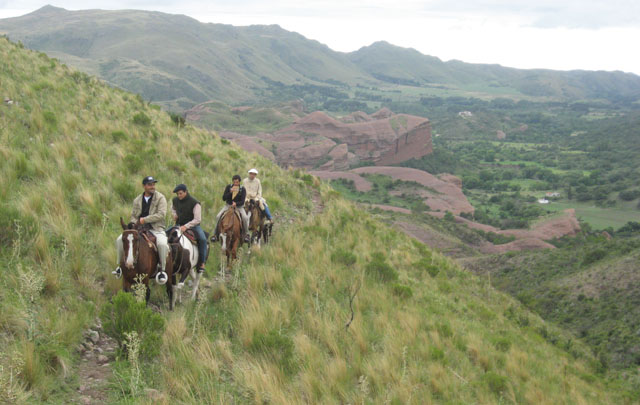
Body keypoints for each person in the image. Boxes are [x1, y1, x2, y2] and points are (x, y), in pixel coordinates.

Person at [113, 176, 170, 284]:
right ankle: (119, 267)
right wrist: (134, 224)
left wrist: (145, 219)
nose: (152, 186)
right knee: (120, 239)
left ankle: (162, 270)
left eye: (153, 184)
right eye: (149, 184)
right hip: (138, 229)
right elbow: (134, 216)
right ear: (144, 186)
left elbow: (161, 214)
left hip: (156, 228)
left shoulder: (160, 198)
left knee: (162, 244)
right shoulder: (137, 200)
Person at [171, 184, 208, 273]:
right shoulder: (175, 200)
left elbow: (197, 219)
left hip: (193, 226)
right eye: (177, 194)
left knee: (203, 239)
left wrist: (186, 226)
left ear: (185, 192)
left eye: (180, 193)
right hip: (179, 224)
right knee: (166, 234)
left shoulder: (195, 203)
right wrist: (174, 214)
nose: (179, 196)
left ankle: (202, 262)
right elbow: (173, 208)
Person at [211, 174, 250, 243]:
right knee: (218, 216)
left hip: (239, 207)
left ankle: (246, 234)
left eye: (237, 182)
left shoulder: (242, 189)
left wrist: (236, 204)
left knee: (245, 217)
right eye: (234, 182)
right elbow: (223, 198)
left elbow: (242, 201)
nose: (235, 183)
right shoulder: (229, 187)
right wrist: (230, 192)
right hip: (228, 205)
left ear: (239, 182)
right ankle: (215, 234)